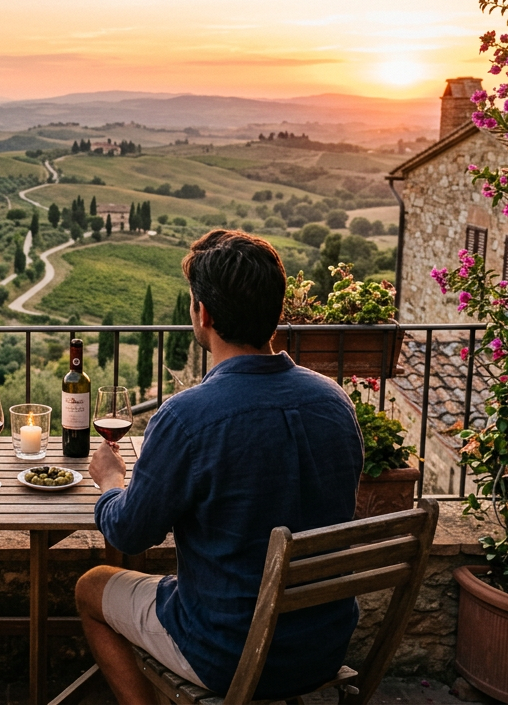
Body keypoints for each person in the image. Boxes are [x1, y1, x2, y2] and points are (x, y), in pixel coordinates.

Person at [77, 230, 364, 703]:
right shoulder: (334, 402)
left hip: (225, 652)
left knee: (92, 588)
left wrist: (111, 481)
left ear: (203, 314)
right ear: (276, 309)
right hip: (322, 647)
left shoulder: (189, 417)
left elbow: (128, 534)